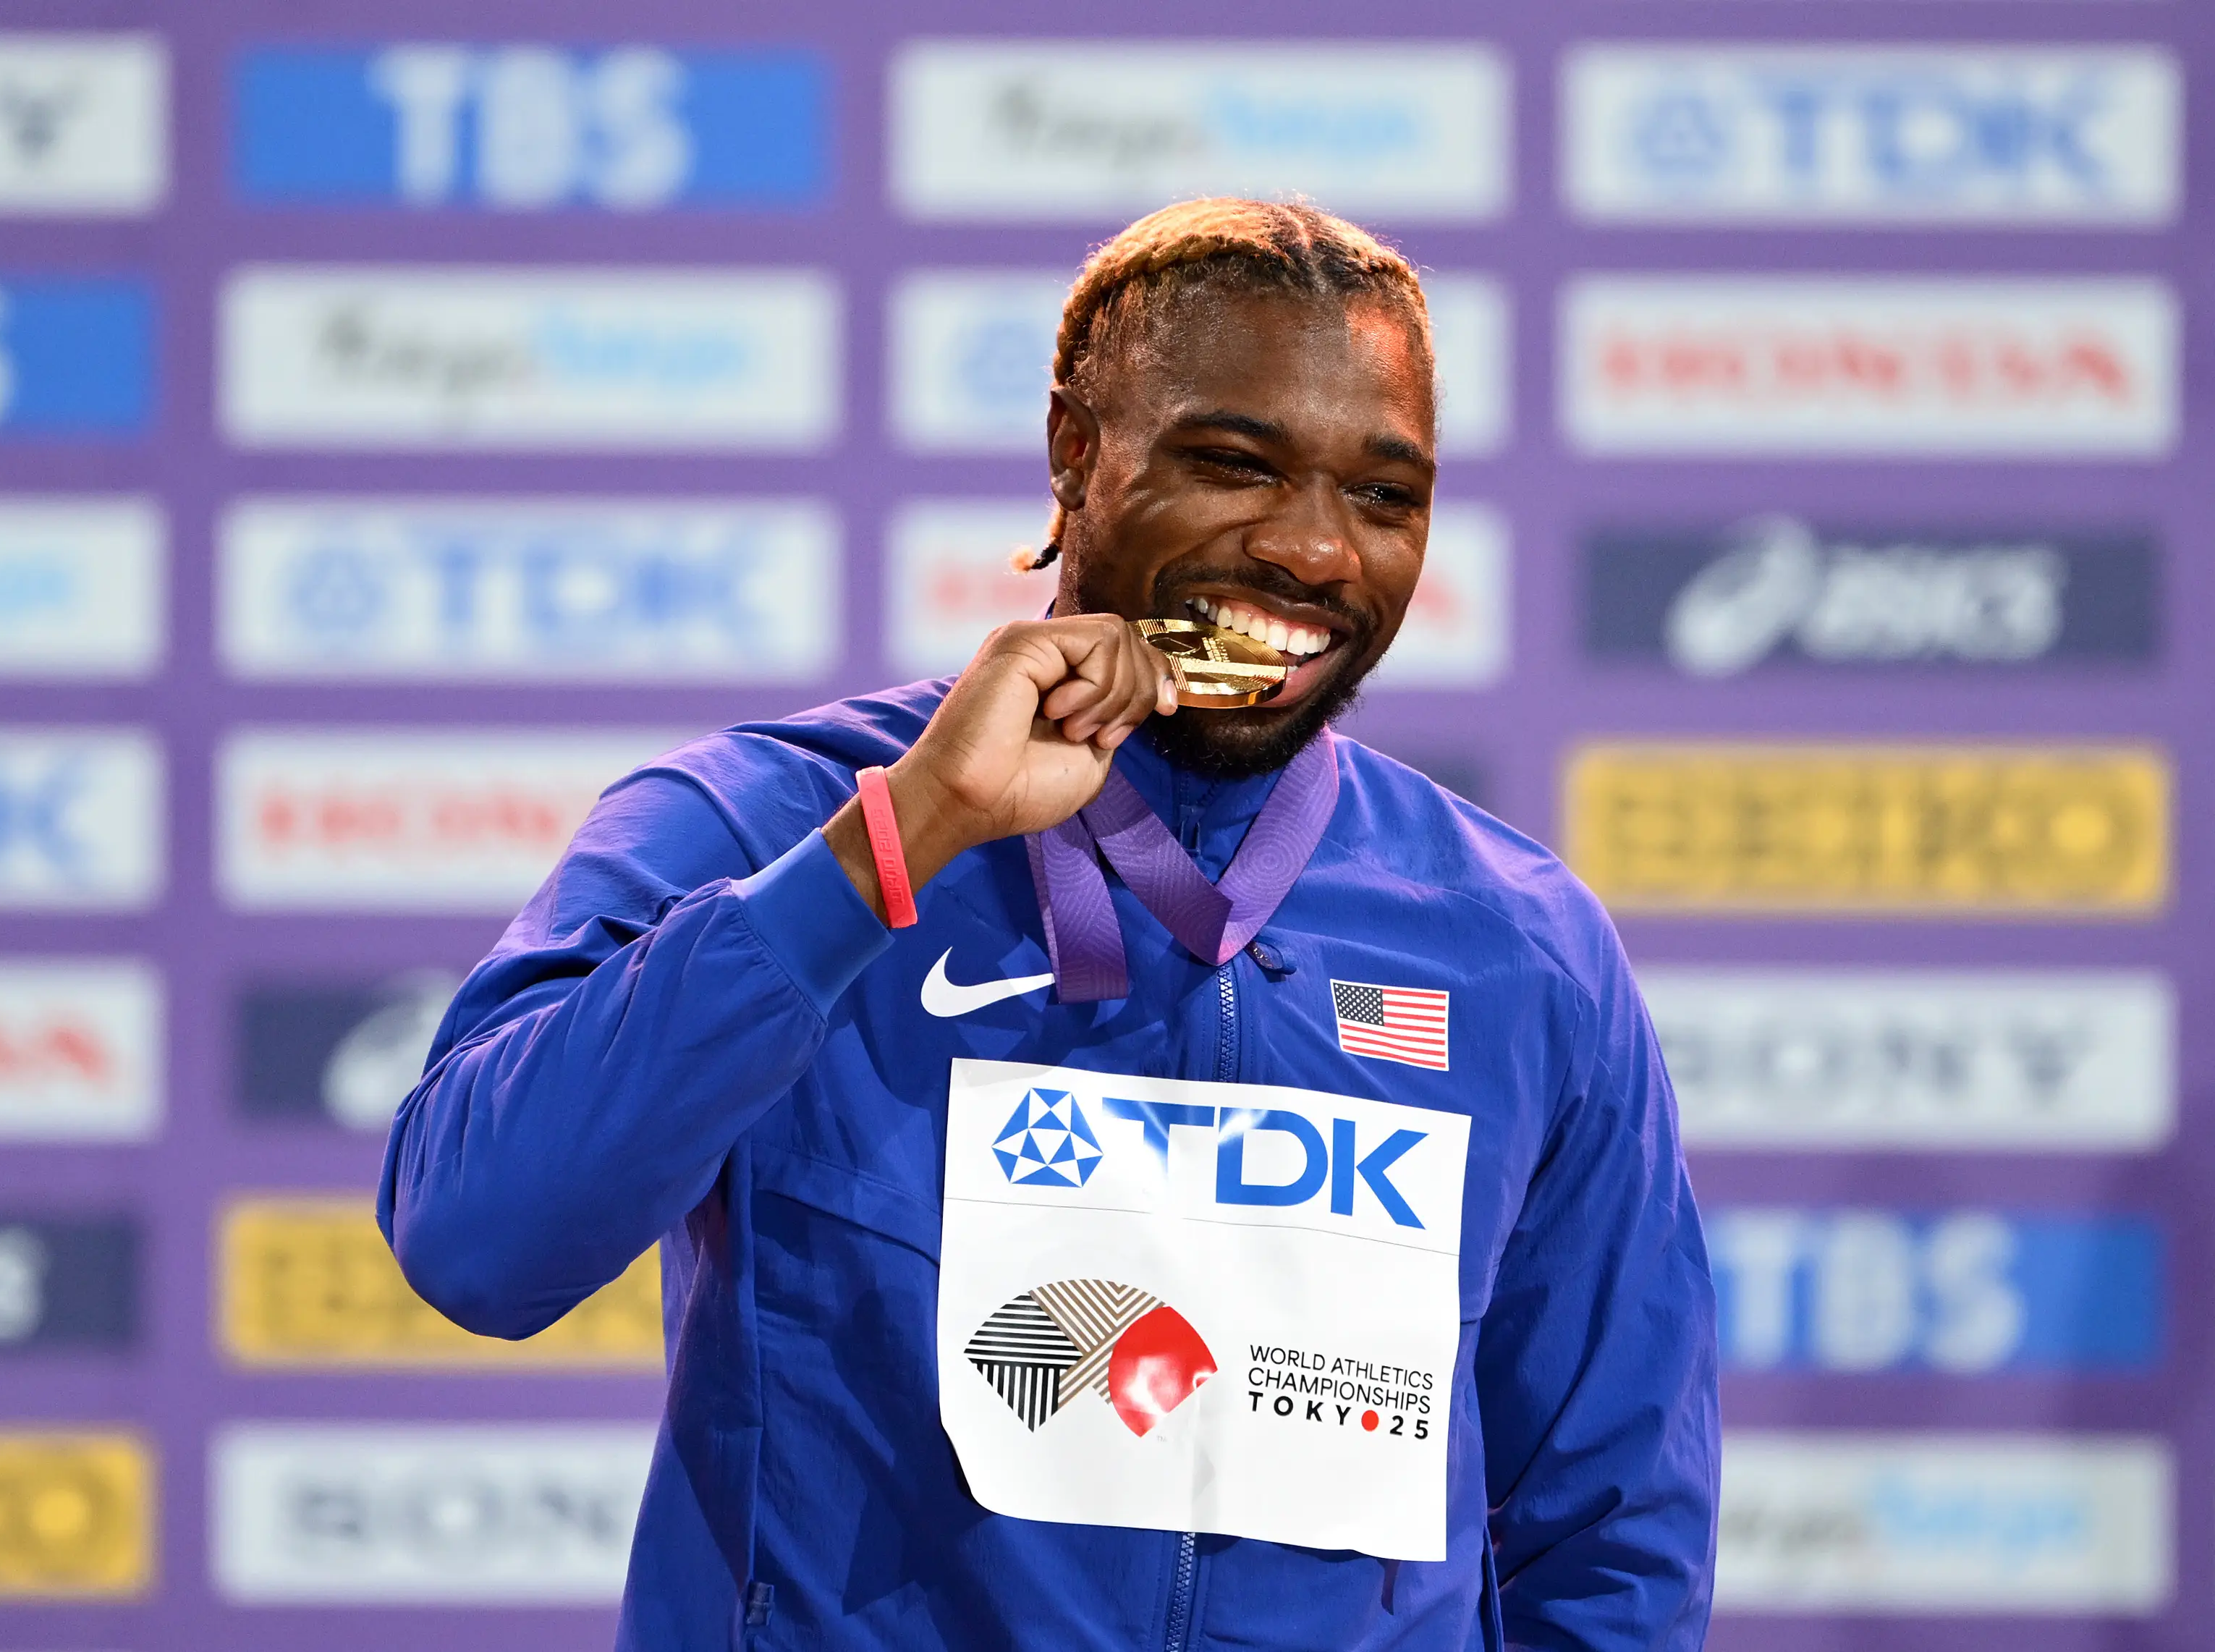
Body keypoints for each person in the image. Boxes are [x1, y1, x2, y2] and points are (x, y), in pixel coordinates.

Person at [381, 198, 1717, 1652]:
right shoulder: (764, 824)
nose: (1317, 552)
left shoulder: (1517, 948)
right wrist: (898, 844)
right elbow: (477, 1237)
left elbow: (1611, 1531)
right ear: (1076, 453)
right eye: (1231, 464)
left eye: (1384, 497)